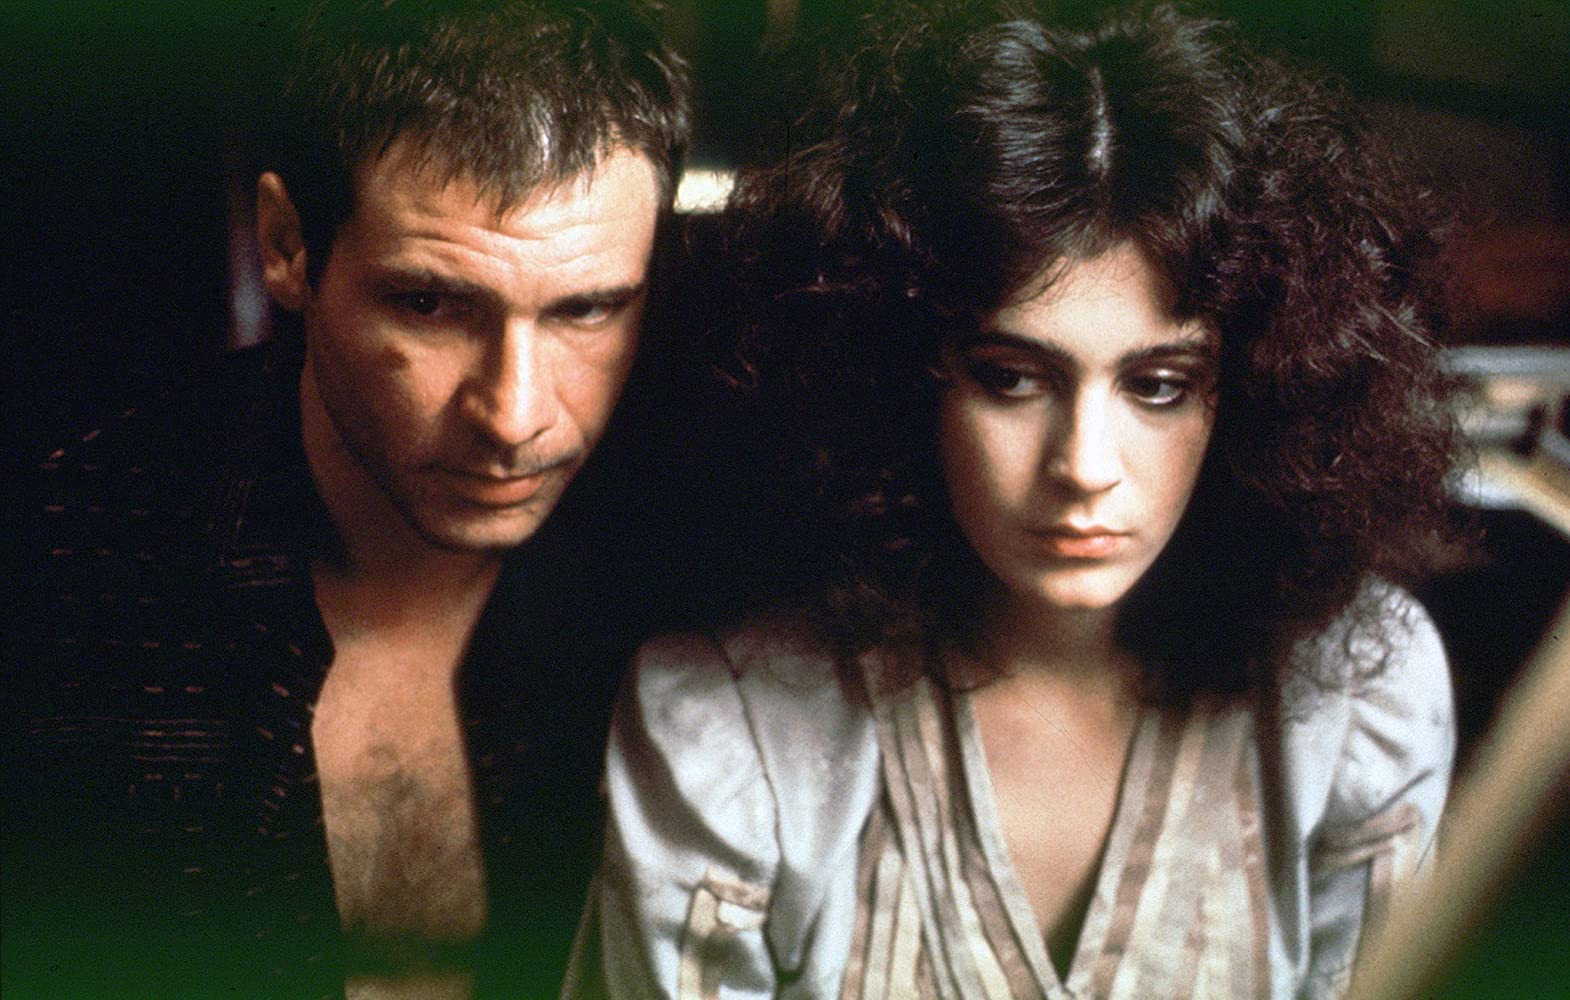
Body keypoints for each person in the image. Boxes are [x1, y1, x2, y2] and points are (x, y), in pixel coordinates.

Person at [572, 3, 1459, 998]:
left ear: (1254, 386)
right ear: (900, 373)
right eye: (1011, 377)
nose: (1084, 465)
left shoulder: (1355, 701)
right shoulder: (732, 733)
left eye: (1157, 385)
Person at [2, 1, 690, 996]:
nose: (514, 416)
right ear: (288, 245)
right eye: (430, 304)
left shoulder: (699, 564)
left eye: (587, 309)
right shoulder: (66, 566)